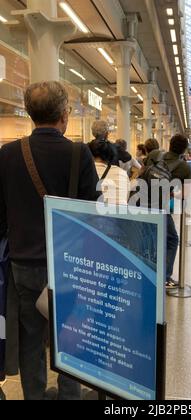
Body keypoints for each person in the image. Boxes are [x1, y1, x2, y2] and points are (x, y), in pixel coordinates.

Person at [0, 81, 99, 400]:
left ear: (30, 114)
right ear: (64, 115)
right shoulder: (78, 153)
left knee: (30, 339)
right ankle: (70, 395)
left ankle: (34, 396)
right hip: (69, 263)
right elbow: (92, 212)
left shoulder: (8, 154)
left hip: (23, 265)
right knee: (70, 337)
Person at [163, 135, 191, 288]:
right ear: (184, 149)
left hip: (141, 203)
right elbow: (186, 193)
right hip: (160, 207)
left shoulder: (157, 157)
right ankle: (165, 277)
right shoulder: (184, 167)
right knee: (173, 239)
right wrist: (173, 194)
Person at [89, 138, 129, 206]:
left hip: (96, 214)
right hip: (120, 214)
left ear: (89, 154)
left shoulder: (87, 172)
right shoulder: (122, 173)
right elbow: (125, 198)